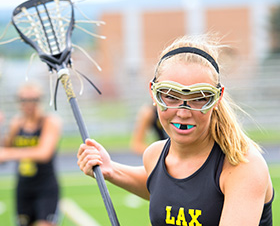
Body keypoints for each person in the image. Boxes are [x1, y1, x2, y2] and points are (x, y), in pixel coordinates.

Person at [77, 34, 274, 225]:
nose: (183, 112)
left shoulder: (243, 166)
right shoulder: (154, 156)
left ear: (217, 98)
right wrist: (111, 169)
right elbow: (162, 184)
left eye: (199, 98)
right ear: (153, 94)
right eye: (171, 96)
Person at [0, 82, 62, 226]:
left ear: (40, 100)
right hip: (23, 187)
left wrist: (9, 153)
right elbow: (3, 153)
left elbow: (44, 153)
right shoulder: (16, 123)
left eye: (33, 100)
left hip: (46, 187)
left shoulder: (49, 122)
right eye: (24, 100)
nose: (28, 104)